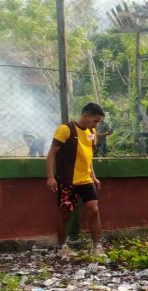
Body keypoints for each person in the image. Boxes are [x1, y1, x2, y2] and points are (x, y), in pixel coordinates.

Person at [45, 103, 106, 258]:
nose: (96, 124)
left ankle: (97, 247)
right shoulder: (65, 130)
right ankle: (62, 247)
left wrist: (93, 175)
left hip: (86, 180)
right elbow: (51, 154)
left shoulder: (92, 132)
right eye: (95, 121)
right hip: (67, 181)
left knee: (94, 209)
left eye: (98, 122)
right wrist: (51, 177)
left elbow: (88, 156)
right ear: (85, 115)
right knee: (65, 214)